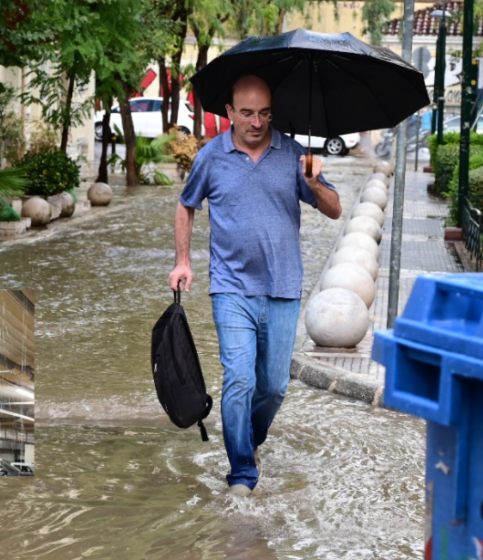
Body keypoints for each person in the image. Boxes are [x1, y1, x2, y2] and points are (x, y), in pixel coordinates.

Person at [168, 75, 342, 497]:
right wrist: (183, 261)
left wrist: (315, 181)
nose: (256, 121)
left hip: (283, 287)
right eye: (247, 112)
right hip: (230, 288)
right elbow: (186, 205)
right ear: (229, 112)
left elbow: (336, 211)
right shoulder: (212, 157)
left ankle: (249, 439)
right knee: (240, 380)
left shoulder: (294, 155)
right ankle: (242, 472)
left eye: (264, 112)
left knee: (273, 387)